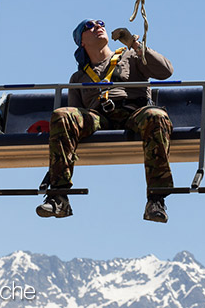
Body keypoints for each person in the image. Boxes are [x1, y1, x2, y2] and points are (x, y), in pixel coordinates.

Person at [36, 18, 174, 222]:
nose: (98, 27)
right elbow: (74, 113)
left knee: (157, 116)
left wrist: (135, 45)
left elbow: (166, 71)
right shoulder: (78, 78)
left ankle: (156, 199)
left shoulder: (132, 57)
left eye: (100, 23)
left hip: (134, 111)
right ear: (81, 42)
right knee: (62, 115)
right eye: (89, 26)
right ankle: (58, 196)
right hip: (99, 118)